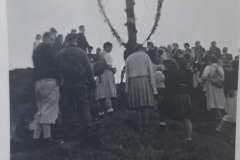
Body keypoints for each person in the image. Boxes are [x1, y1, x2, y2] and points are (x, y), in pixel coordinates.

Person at [56, 33, 96, 136]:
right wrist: (92, 82)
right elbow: (89, 69)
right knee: (83, 105)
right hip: (80, 83)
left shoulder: (60, 53)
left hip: (65, 84)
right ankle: (88, 128)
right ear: (75, 41)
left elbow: (56, 69)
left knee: (66, 107)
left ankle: (67, 131)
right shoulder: (82, 52)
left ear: (66, 41)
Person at [32, 32, 62, 148]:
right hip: (49, 81)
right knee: (49, 108)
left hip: (38, 81)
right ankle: (47, 138)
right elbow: (55, 63)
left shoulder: (36, 51)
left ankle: (36, 138)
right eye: (51, 39)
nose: (53, 42)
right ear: (45, 39)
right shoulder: (47, 49)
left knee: (40, 109)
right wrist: (60, 77)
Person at [125, 44, 157, 133]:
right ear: (141, 49)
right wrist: (153, 84)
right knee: (145, 103)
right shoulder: (145, 56)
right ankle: (145, 124)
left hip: (133, 81)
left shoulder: (129, 57)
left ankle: (139, 125)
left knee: (137, 104)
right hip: (144, 79)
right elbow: (151, 69)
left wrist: (127, 86)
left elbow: (126, 73)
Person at [163, 59, 193, 140]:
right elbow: (190, 84)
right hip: (186, 95)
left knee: (169, 114)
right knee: (186, 117)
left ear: (168, 65)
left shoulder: (167, 73)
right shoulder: (183, 72)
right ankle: (189, 137)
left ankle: (167, 135)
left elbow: (167, 86)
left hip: (176, 95)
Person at [95, 42, 117, 118]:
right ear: (107, 47)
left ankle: (100, 113)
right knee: (108, 93)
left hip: (99, 75)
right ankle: (110, 110)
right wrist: (114, 70)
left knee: (101, 95)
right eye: (111, 47)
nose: (111, 49)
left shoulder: (99, 55)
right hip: (107, 74)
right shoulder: (107, 55)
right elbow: (109, 66)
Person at [216, 60, 238, 131]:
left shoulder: (230, 73)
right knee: (232, 111)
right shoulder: (233, 73)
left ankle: (220, 127)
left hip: (232, 92)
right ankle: (220, 127)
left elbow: (226, 84)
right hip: (234, 92)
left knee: (231, 110)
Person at [201, 55, 225, 121]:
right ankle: (221, 118)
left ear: (209, 61)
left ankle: (216, 118)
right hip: (219, 86)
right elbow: (223, 78)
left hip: (212, 86)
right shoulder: (220, 68)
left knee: (213, 101)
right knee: (219, 101)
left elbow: (204, 76)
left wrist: (203, 79)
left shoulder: (208, 67)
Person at [155, 64, 166, 131]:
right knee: (161, 99)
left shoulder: (154, 75)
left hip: (156, 88)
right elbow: (165, 81)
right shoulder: (163, 75)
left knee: (156, 98)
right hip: (162, 88)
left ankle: (156, 107)